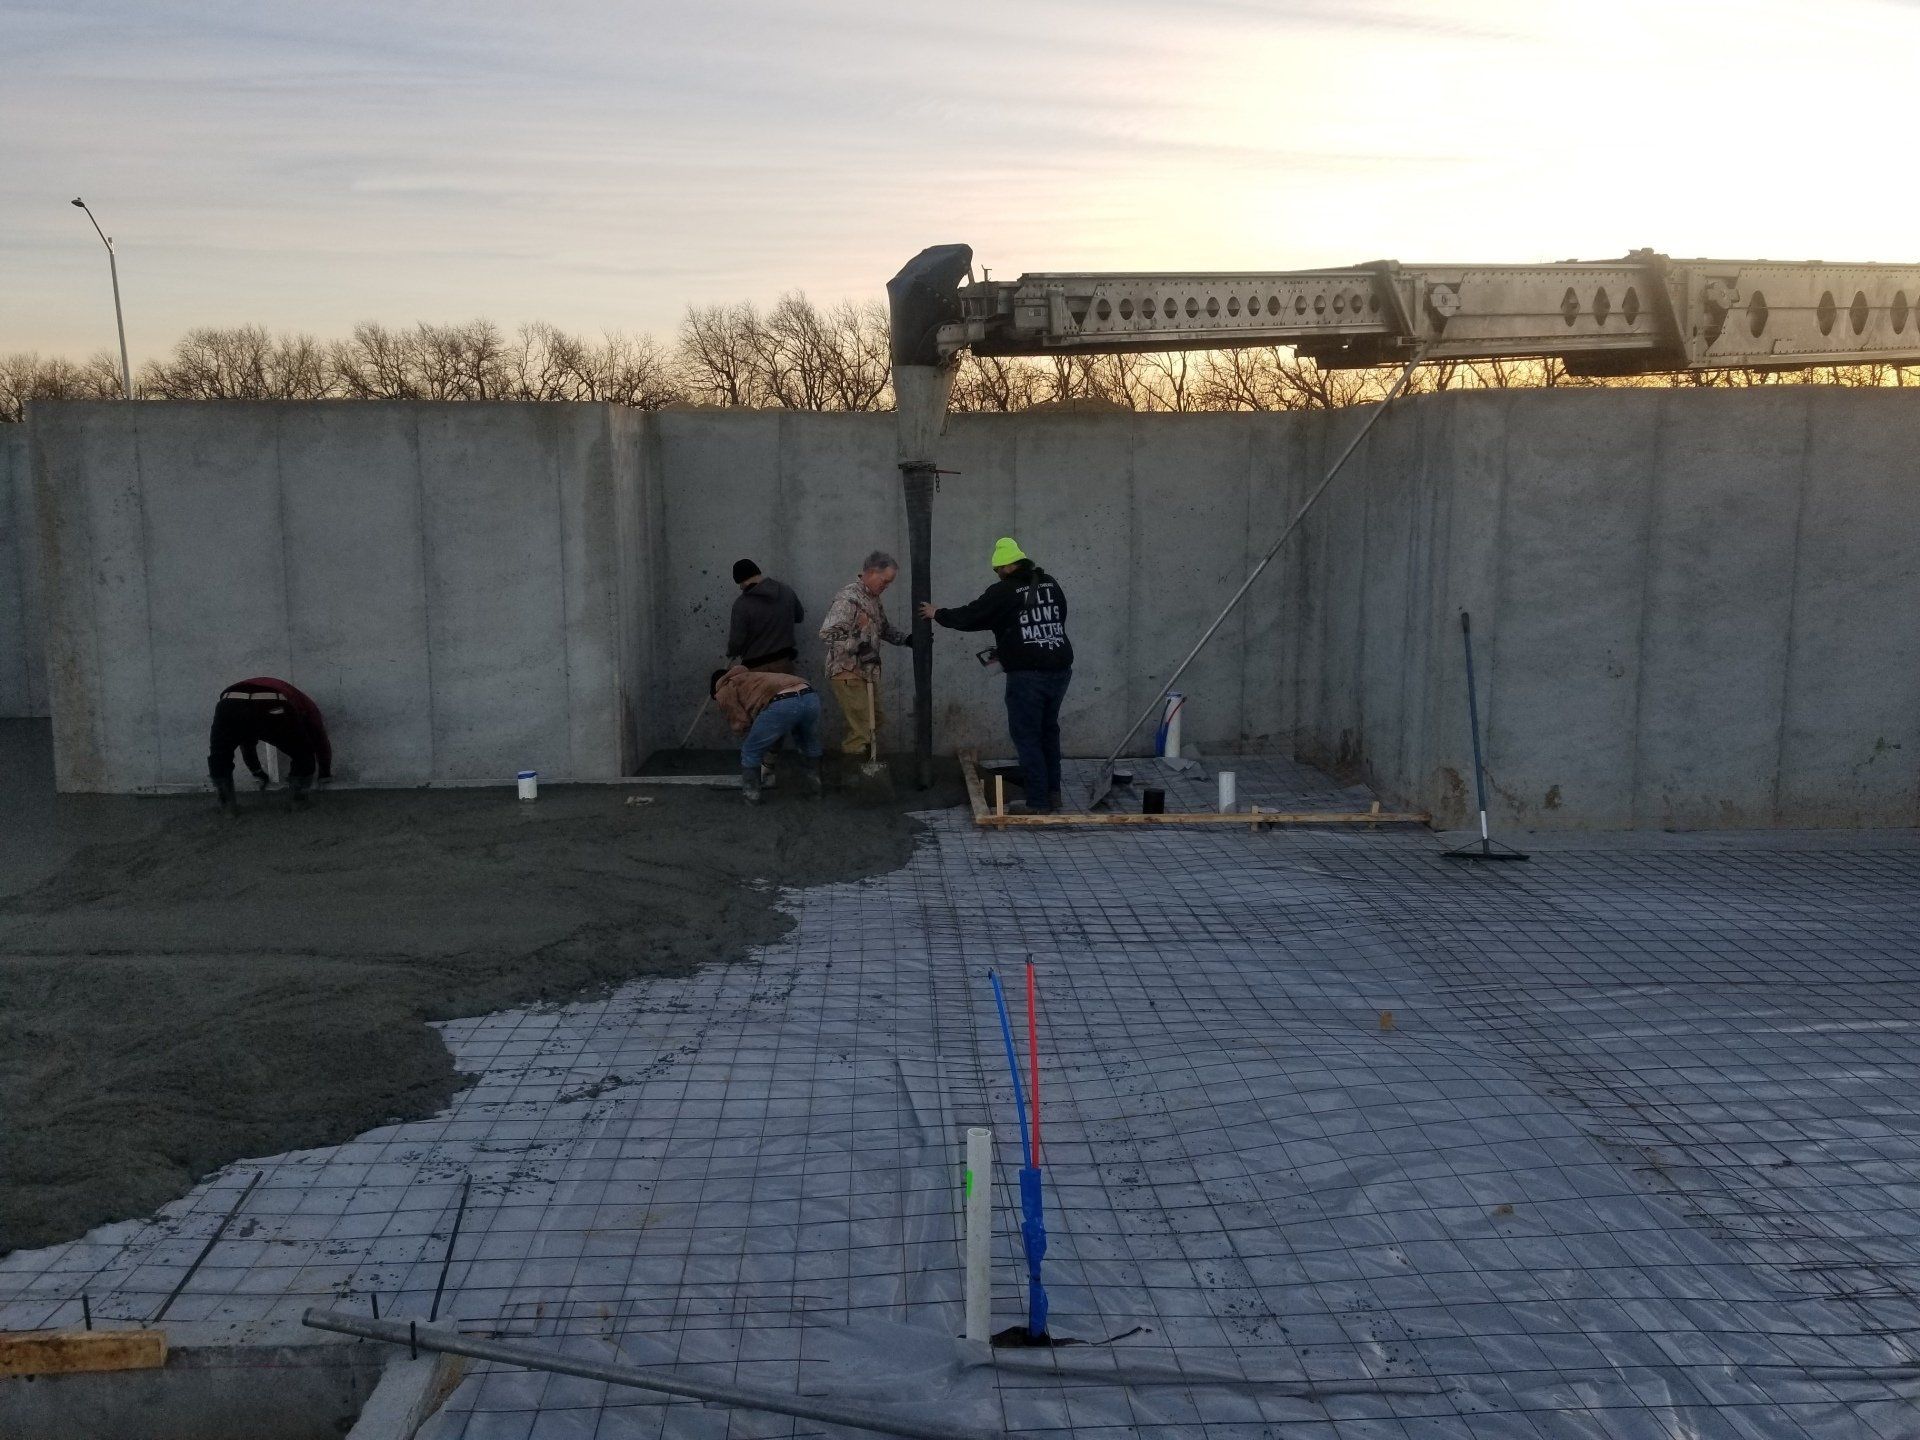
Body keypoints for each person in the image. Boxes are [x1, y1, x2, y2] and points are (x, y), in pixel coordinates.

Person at [921, 537, 1073, 814]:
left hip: (1028, 676)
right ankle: (1053, 793)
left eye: (997, 570)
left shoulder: (1004, 591)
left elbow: (971, 615)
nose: (997, 574)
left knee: (1027, 736)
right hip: (1060, 669)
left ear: (1005, 567)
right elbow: (1059, 616)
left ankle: (1037, 803)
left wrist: (937, 614)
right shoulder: (1050, 582)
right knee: (1048, 731)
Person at [818, 550, 911, 757]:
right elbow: (828, 634)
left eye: (889, 583)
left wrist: (907, 639)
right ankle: (855, 776)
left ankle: (868, 766)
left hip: (866, 672)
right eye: (884, 581)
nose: (886, 587)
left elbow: (883, 629)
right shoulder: (849, 599)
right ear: (870, 572)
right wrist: (858, 645)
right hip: (847, 672)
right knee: (860, 730)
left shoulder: (873, 598)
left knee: (875, 721)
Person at [208, 676, 333, 814]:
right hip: (272, 702)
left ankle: (227, 808)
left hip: (229, 703)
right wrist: (324, 772)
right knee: (303, 754)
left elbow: (247, 742)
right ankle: (298, 802)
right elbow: (319, 739)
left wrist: (257, 772)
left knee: (219, 756)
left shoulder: (284, 695)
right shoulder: (308, 706)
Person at [711, 665, 823, 804]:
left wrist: (746, 730)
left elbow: (740, 722)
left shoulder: (724, 688)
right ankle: (815, 790)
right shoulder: (754, 677)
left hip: (782, 702)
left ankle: (751, 796)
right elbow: (777, 730)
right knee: (808, 744)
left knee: (750, 751)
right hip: (809, 696)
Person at [726, 559, 805, 672]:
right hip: (784, 665)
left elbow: (736, 641)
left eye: (740, 584)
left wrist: (731, 654)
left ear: (742, 581)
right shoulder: (787, 591)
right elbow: (799, 616)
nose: (740, 588)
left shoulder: (742, 604)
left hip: (756, 670)